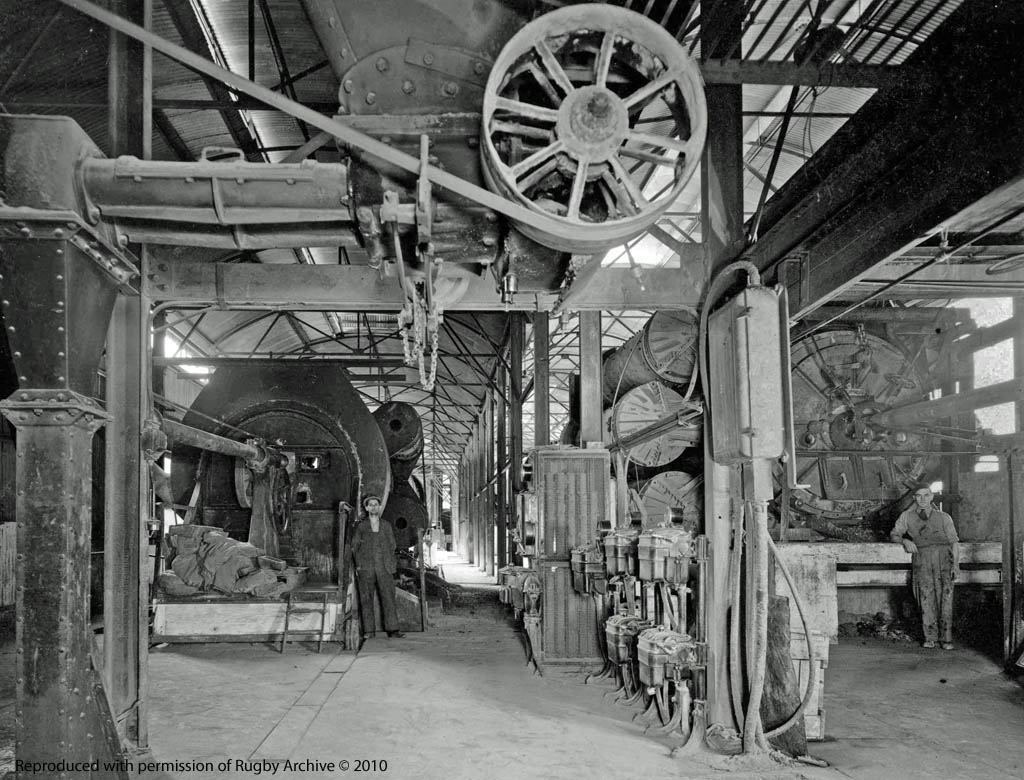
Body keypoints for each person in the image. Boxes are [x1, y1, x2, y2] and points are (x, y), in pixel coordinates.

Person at [890, 487, 959, 650]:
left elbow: (954, 542)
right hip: (922, 558)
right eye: (919, 496)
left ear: (932, 496)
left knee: (946, 599)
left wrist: (956, 565)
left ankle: (946, 639)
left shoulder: (944, 517)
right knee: (925, 597)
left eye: (926, 495)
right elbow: (894, 534)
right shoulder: (906, 516)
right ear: (914, 497)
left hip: (944, 558)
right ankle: (930, 637)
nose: (922, 499)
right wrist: (905, 541)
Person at [351, 495, 404, 639]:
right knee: (366, 599)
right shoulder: (361, 527)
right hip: (366, 569)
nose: (374, 507)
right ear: (367, 508)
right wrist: (359, 565)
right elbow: (354, 547)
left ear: (379, 507)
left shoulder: (386, 525)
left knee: (388, 598)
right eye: (371, 505)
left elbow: (392, 544)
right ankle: (369, 631)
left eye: (376, 504)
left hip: (384, 568)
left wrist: (387, 559)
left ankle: (393, 630)